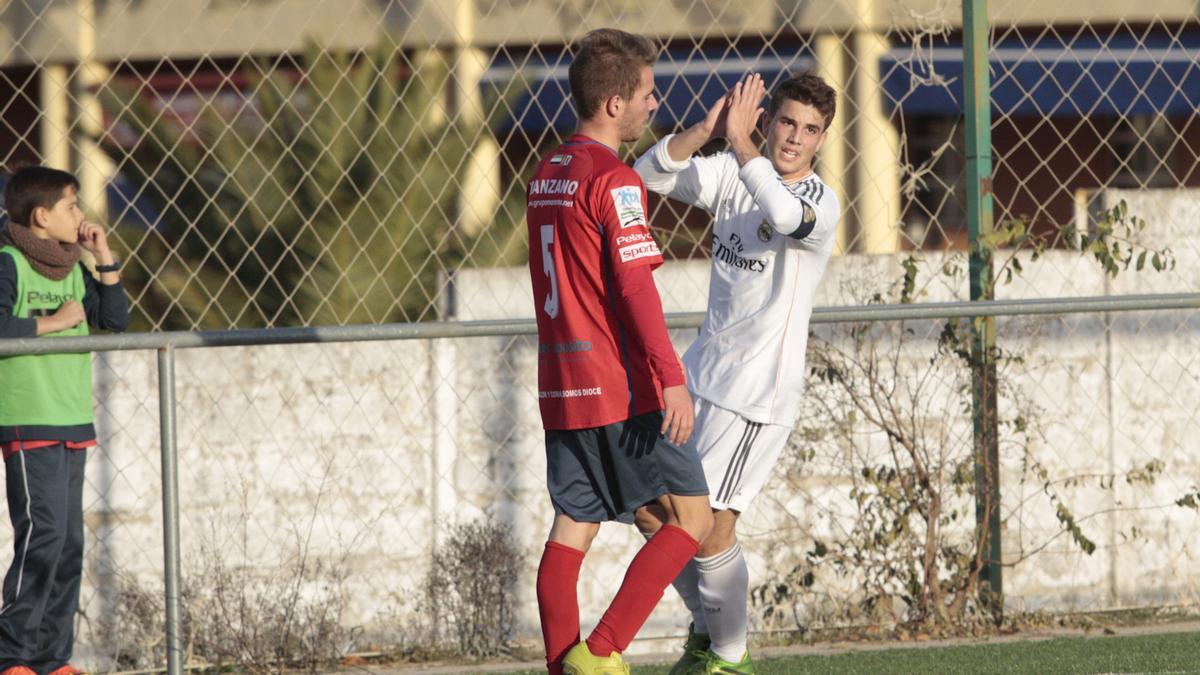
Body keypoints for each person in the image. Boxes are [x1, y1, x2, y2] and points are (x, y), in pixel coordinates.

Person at [632, 72, 841, 674]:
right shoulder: (731, 173)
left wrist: (742, 147)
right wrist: (705, 132)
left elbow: (779, 210)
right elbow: (648, 174)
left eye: (810, 130)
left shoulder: (819, 205)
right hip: (699, 381)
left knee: (708, 528)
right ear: (769, 117)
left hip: (756, 396)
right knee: (648, 509)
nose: (795, 138)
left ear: (822, 139)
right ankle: (711, 630)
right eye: (786, 122)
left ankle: (728, 658)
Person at [527, 28, 715, 675]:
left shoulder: (545, 174)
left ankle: (561, 667)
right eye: (647, 94)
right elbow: (636, 289)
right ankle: (601, 649)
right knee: (688, 519)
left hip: (560, 383)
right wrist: (670, 377)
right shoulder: (615, 181)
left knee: (570, 529)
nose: (653, 106)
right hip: (620, 386)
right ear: (613, 104)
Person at [0, 166, 130, 675]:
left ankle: (53, 660)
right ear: (42, 216)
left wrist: (103, 257)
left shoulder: (73, 265)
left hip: (72, 418)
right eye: (72, 206)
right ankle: (12, 655)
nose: (81, 215)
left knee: (70, 542)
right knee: (43, 534)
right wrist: (53, 322)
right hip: (28, 420)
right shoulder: (9, 261)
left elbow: (113, 319)